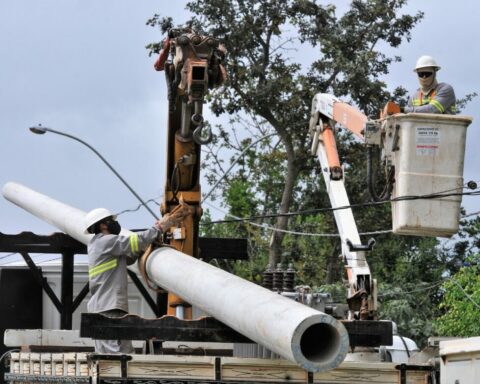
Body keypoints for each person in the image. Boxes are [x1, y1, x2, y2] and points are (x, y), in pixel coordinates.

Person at [83, 205, 190, 354]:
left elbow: (129, 257)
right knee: (120, 355)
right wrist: (159, 227)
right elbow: (136, 241)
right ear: (103, 224)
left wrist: (150, 241)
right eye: (110, 220)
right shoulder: (106, 241)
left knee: (107, 355)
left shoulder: (98, 245)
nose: (115, 223)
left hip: (101, 308)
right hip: (109, 308)